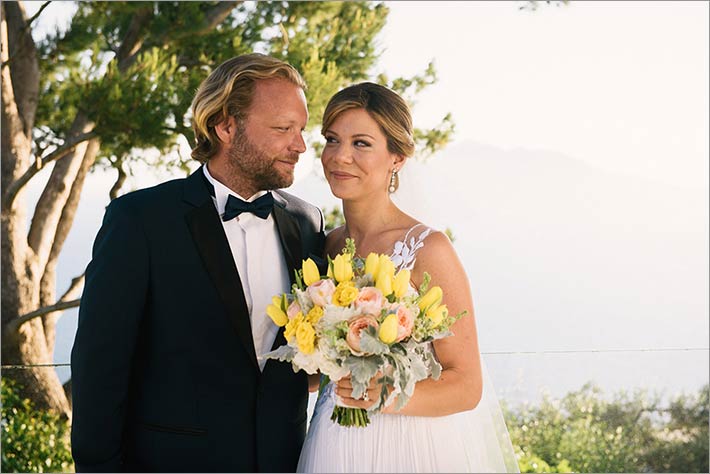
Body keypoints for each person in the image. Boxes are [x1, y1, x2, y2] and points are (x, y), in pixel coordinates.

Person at [70, 53, 325, 472]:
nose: (299, 145)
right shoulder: (141, 220)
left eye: (301, 129)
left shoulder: (307, 222)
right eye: (283, 129)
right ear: (225, 125)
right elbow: (100, 368)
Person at [297, 83, 519, 473]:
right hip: (334, 440)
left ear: (396, 157)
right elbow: (320, 370)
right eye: (332, 139)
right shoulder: (328, 245)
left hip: (408, 446)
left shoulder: (428, 249)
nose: (339, 156)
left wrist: (387, 395)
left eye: (361, 143)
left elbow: (467, 386)